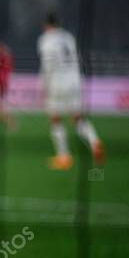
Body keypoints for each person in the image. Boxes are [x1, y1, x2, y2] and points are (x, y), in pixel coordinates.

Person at [37, 13, 104, 169]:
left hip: (57, 83)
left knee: (55, 118)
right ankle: (94, 142)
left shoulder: (46, 40)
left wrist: (44, 86)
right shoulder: (68, 37)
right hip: (74, 82)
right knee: (78, 118)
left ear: (46, 25)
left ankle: (64, 156)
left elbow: (48, 66)